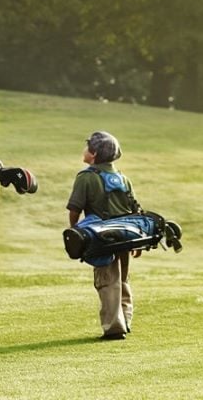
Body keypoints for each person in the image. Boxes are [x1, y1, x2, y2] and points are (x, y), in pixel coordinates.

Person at [66, 131, 140, 341]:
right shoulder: (123, 178)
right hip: (126, 236)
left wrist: (76, 235)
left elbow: (75, 210)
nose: (84, 149)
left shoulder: (86, 177)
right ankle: (125, 320)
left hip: (101, 238)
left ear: (94, 153)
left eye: (87, 146)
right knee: (123, 279)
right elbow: (134, 210)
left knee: (107, 281)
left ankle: (114, 328)